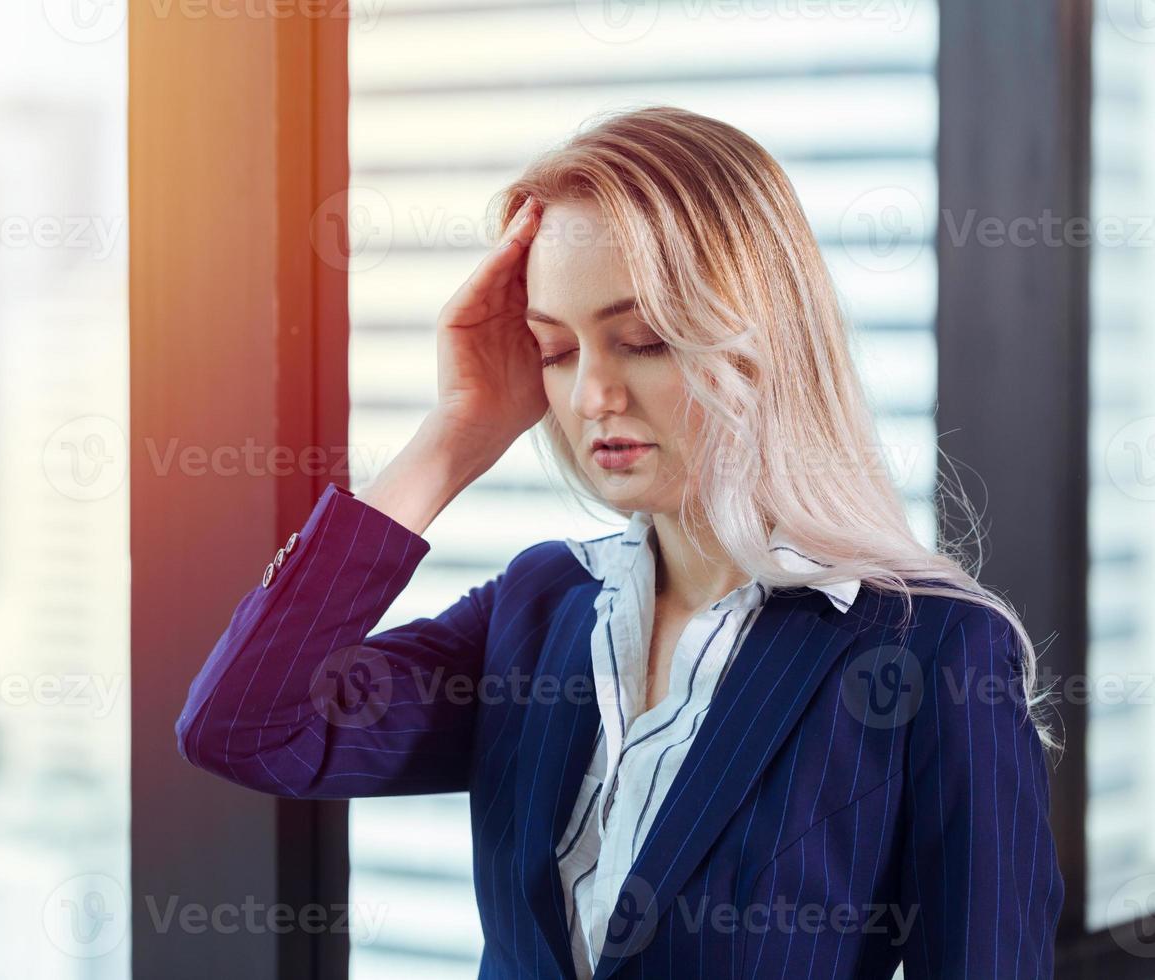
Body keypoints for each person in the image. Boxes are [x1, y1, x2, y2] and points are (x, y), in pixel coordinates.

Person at [177, 105, 1064, 979]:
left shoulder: (931, 650)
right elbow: (246, 727)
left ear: (761, 339)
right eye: (556, 352)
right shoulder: (537, 608)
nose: (594, 394)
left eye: (640, 340)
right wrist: (453, 439)